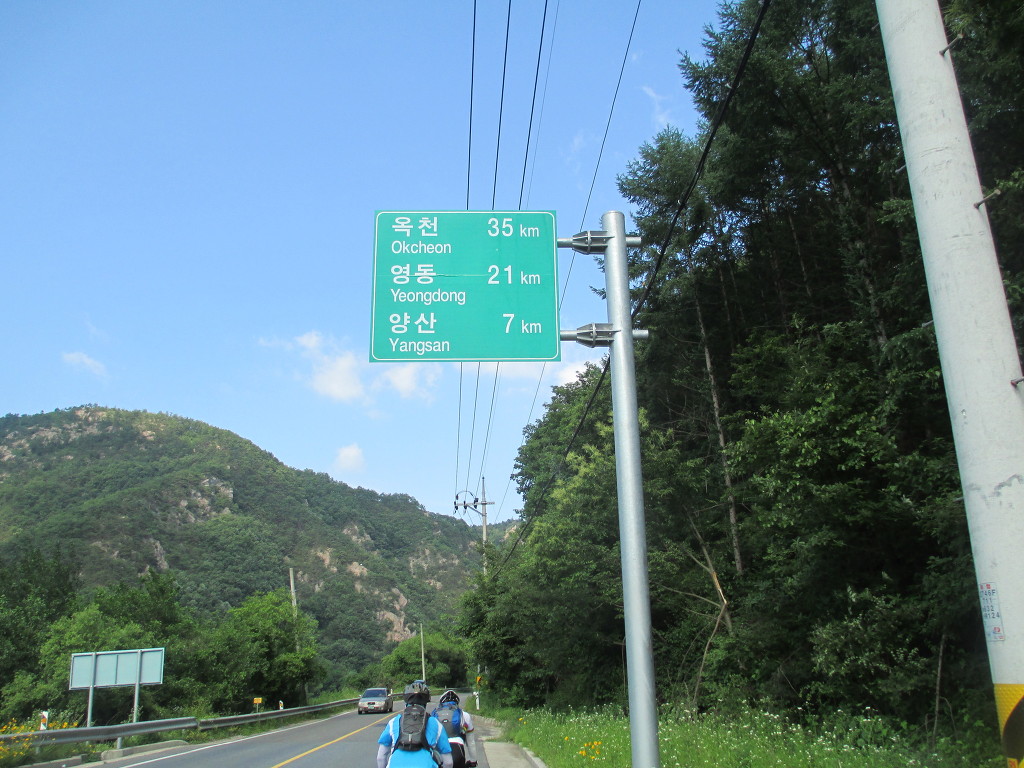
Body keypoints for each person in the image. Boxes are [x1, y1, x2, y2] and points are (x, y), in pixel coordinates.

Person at [377, 681, 453, 768]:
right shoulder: (435, 724)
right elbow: (448, 762)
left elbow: (381, 757)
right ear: (425, 703)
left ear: (406, 702)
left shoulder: (394, 722)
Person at [430, 690, 477, 768]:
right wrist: (473, 761)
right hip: (458, 750)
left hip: (439, 753)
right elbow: (471, 742)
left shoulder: (433, 716)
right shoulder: (464, 715)